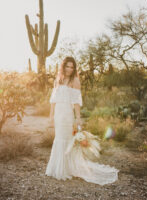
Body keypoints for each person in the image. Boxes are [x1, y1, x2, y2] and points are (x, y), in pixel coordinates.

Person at [45, 56, 119, 185]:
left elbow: (76, 102)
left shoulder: (75, 81)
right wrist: (51, 116)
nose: (69, 69)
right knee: (58, 139)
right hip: (58, 113)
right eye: (67, 66)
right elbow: (53, 100)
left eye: (72, 67)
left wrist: (78, 118)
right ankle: (57, 168)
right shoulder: (58, 79)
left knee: (67, 139)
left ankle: (67, 169)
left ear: (74, 69)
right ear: (63, 67)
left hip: (68, 113)